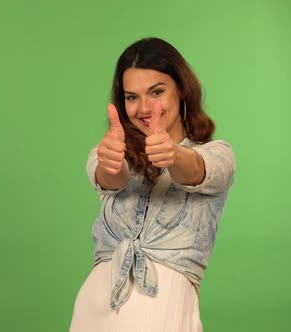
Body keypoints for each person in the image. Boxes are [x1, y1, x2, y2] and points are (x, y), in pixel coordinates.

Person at [69, 37, 236, 332]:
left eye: (156, 92)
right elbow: (112, 178)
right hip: (96, 309)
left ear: (181, 89)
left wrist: (174, 155)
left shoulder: (217, 155)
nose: (144, 108)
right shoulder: (110, 152)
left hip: (164, 308)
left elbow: (196, 171)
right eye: (132, 97)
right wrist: (111, 164)